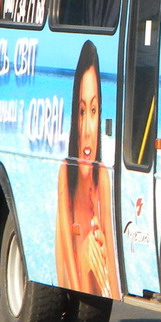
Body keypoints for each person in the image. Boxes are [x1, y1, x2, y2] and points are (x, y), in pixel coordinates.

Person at [56, 40, 120, 299]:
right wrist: (84, 254)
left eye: (94, 111)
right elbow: (64, 271)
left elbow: (114, 281)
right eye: (81, 111)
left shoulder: (103, 176)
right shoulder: (64, 173)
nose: (87, 128)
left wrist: (101, 258)